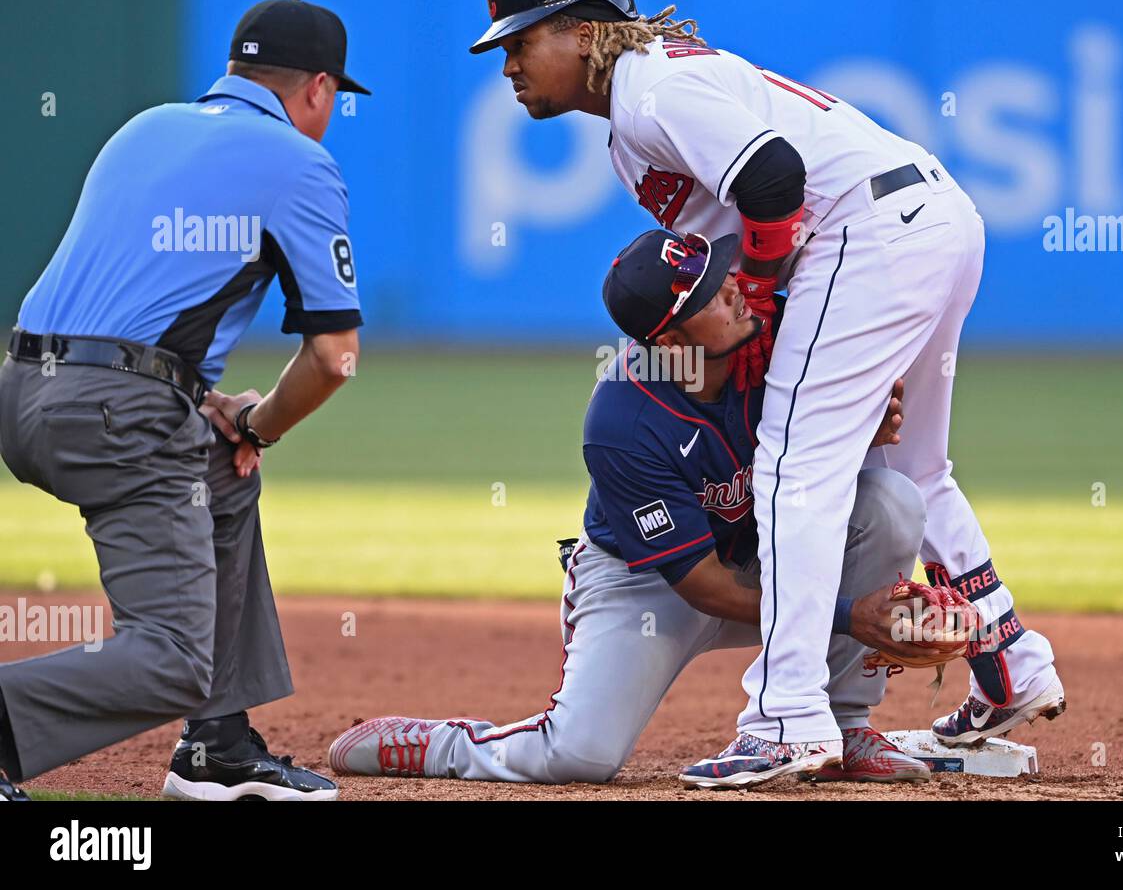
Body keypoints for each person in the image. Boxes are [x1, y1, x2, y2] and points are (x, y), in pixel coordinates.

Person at [467, 0, 1065, 780]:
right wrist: (773, 315)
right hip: (930, 219)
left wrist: (756, 288)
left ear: (582, 30)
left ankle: (789, 714)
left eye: (523, 41)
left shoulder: (652, 92)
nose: (510, 66)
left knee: (795, 468)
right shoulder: (648, 94)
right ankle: (1011, 665)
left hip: (863, 235)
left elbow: (775, 178)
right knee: (914, 467)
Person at [328, 228, 933, 788]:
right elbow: (706, 590)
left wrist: (859, 424)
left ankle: (846, 725)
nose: (735, 291)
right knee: (578, 756)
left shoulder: (780, 334)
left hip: (761, 559)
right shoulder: (624, 421)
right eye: (712, 297)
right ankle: (438, 745)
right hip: (651, 587)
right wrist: (851, 615)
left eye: (721, 275)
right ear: (669, 340)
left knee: (889, 504)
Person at [0, 0, 369, 802]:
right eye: (336, 96)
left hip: (24, 389)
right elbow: (335, 357)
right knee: (171, 656)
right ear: (316, 88)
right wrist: (261, 422)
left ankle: (217, 744)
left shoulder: (146, 127)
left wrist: (214, 413)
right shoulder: (298, 162)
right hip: (112, 412)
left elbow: (131, 294)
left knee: (225, 474)